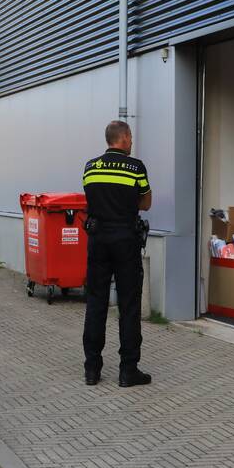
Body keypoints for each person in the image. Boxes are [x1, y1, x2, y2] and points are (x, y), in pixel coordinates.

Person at [81, 120, 153, 387]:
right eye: (131, 138)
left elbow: (91, 198)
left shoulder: (91, 166)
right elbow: (146, 202)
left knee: (96, 302)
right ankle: (128, 370)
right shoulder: (136, 167)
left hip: (98, 239)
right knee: (129, 305)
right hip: (125, 239)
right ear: (124, 138)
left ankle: (92, 369)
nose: (132, 142)